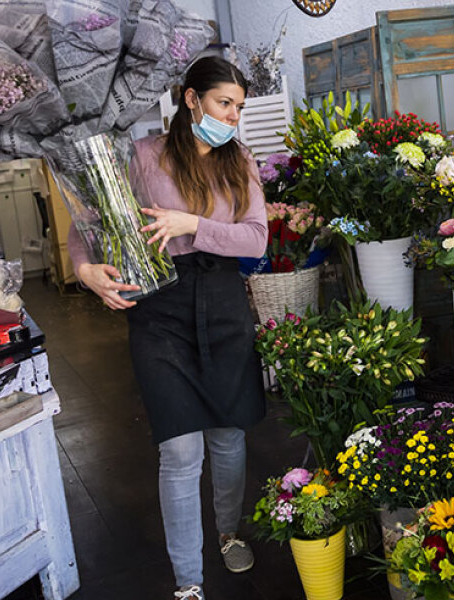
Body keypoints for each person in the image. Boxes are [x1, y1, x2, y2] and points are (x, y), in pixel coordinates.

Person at [69, 56, 268, 600]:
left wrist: (192, 225)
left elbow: (256, 239)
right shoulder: (141, 156)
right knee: (179, 451)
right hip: (160, 311)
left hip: (223, 306)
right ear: (191, 99)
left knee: (227, 435)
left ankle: (228, 531)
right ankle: (188, 580)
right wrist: (86, 272)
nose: (232, 117)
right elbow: (87, 224)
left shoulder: (240, 161)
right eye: (224, 104)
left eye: (239, 107)